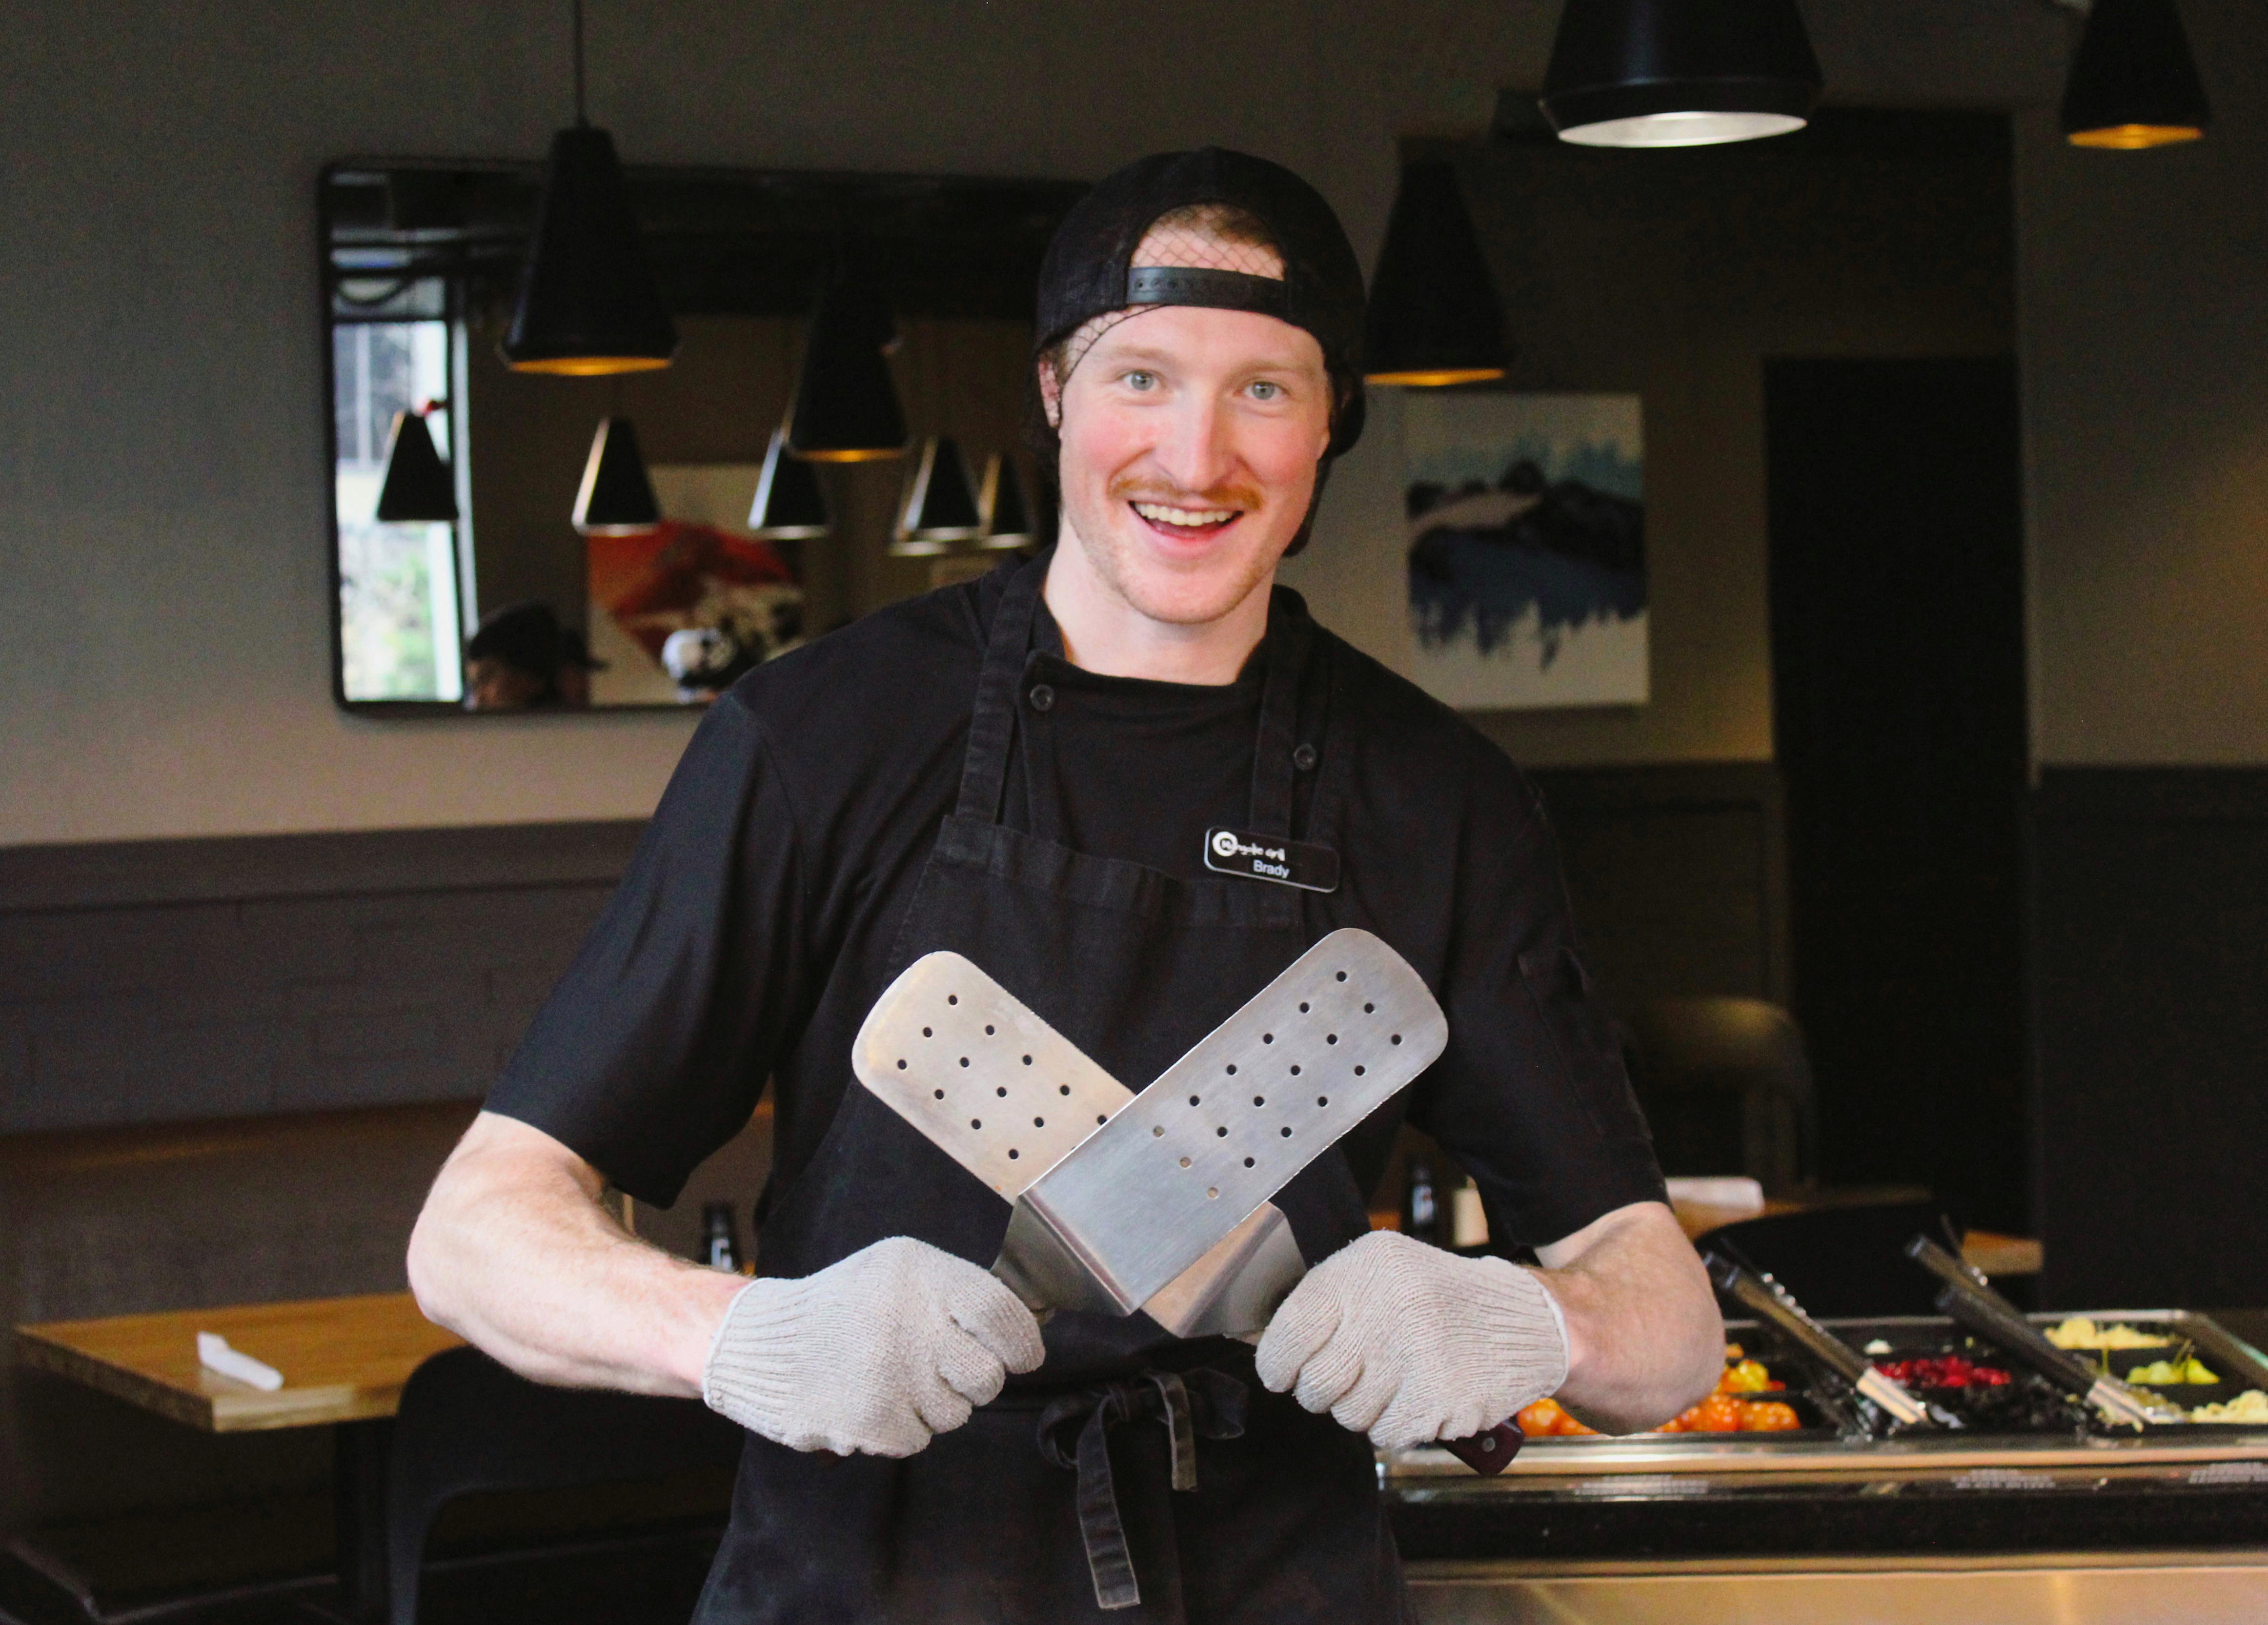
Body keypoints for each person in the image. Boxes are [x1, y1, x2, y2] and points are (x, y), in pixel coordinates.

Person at [407, 148, 1722, 1624]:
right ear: (1053, 392)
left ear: (1332, 424)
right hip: (874, 1583)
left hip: (1279, 1586)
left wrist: (1535, 1318)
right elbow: (472, 1234)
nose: (1197, 455)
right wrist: (746, 1335)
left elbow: (1669, 1322)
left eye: (1265, 391)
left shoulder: (1437, 797)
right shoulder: (822, 737)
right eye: (1143, 377)